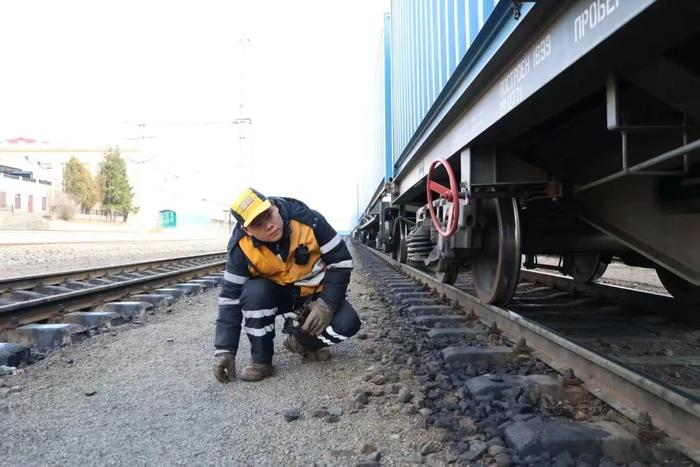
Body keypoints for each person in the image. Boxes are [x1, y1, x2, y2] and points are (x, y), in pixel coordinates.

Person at [213, 187, 361, 382]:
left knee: (348, 323)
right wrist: (225, 350)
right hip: (277, 298)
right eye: (258, 224)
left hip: (313, 296)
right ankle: (261, 361)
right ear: (247, 230)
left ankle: (303, 341)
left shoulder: (311, 221)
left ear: (273, 206)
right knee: (254, 292)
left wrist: (327, 305)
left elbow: (340, 262)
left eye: (268, 215)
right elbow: (230, 299)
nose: (269, 226)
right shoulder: (240, 247)